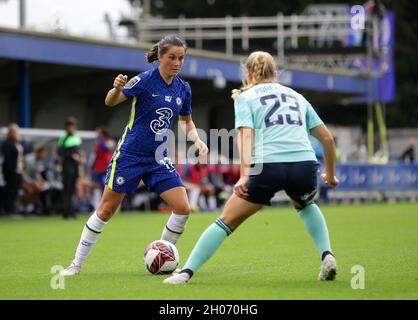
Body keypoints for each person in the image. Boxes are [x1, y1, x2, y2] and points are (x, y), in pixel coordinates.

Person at [164, 51, 339, 285]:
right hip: (304, 164)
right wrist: (331, 173)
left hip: (269, 166)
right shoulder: (297, 96)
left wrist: (245, 175)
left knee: (225, 221)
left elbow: (245, 137)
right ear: (276, 73)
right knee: (306, 204)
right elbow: (327, 139)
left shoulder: (246, 97)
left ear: (247, 73)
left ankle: (185, 273)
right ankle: (327, 254)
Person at [61, 35, 208, 276]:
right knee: (106, 210)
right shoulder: (146, 80)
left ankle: (163, 255)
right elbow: (111, 101)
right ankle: (76, 264)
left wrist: (197, 139)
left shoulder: (184, 88)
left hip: (159, 157)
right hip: (130, 155)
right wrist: (116, 88)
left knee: (182, 207)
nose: (177, 62)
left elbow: (186, 121)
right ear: (160, 56)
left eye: (181, 58)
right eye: (172, 57)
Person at [58, 117, 84, 219]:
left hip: (75, 167)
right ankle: (65, 212)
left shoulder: (76, 137)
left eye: (73, 125)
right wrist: (72, 155)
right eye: (70, 125)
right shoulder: (63, 138)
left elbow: (79, 151)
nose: (72, 127)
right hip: (67, 166)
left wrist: (81, 157)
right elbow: (60, 152)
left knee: (73, 189)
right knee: (67, 189)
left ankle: (72, 210)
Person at [1, 123, 24, 215]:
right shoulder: (7, 143)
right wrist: (12, 169)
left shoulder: (17, 143)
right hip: (11, 171)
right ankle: (8, 210)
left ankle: (13, 208)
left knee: (15, 190)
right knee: (10, 190)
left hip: (18, 170)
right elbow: (8, 159)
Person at [90, 127, 116, 209]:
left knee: (107, 186)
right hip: (98, 168)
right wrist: (93, 166)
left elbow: (107, 148)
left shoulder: (110, 141)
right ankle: (97, 206)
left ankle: (109, 206)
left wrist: (99, 139)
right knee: (96, 186)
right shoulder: (98, 142)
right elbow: (96, 155)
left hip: (107, 167)